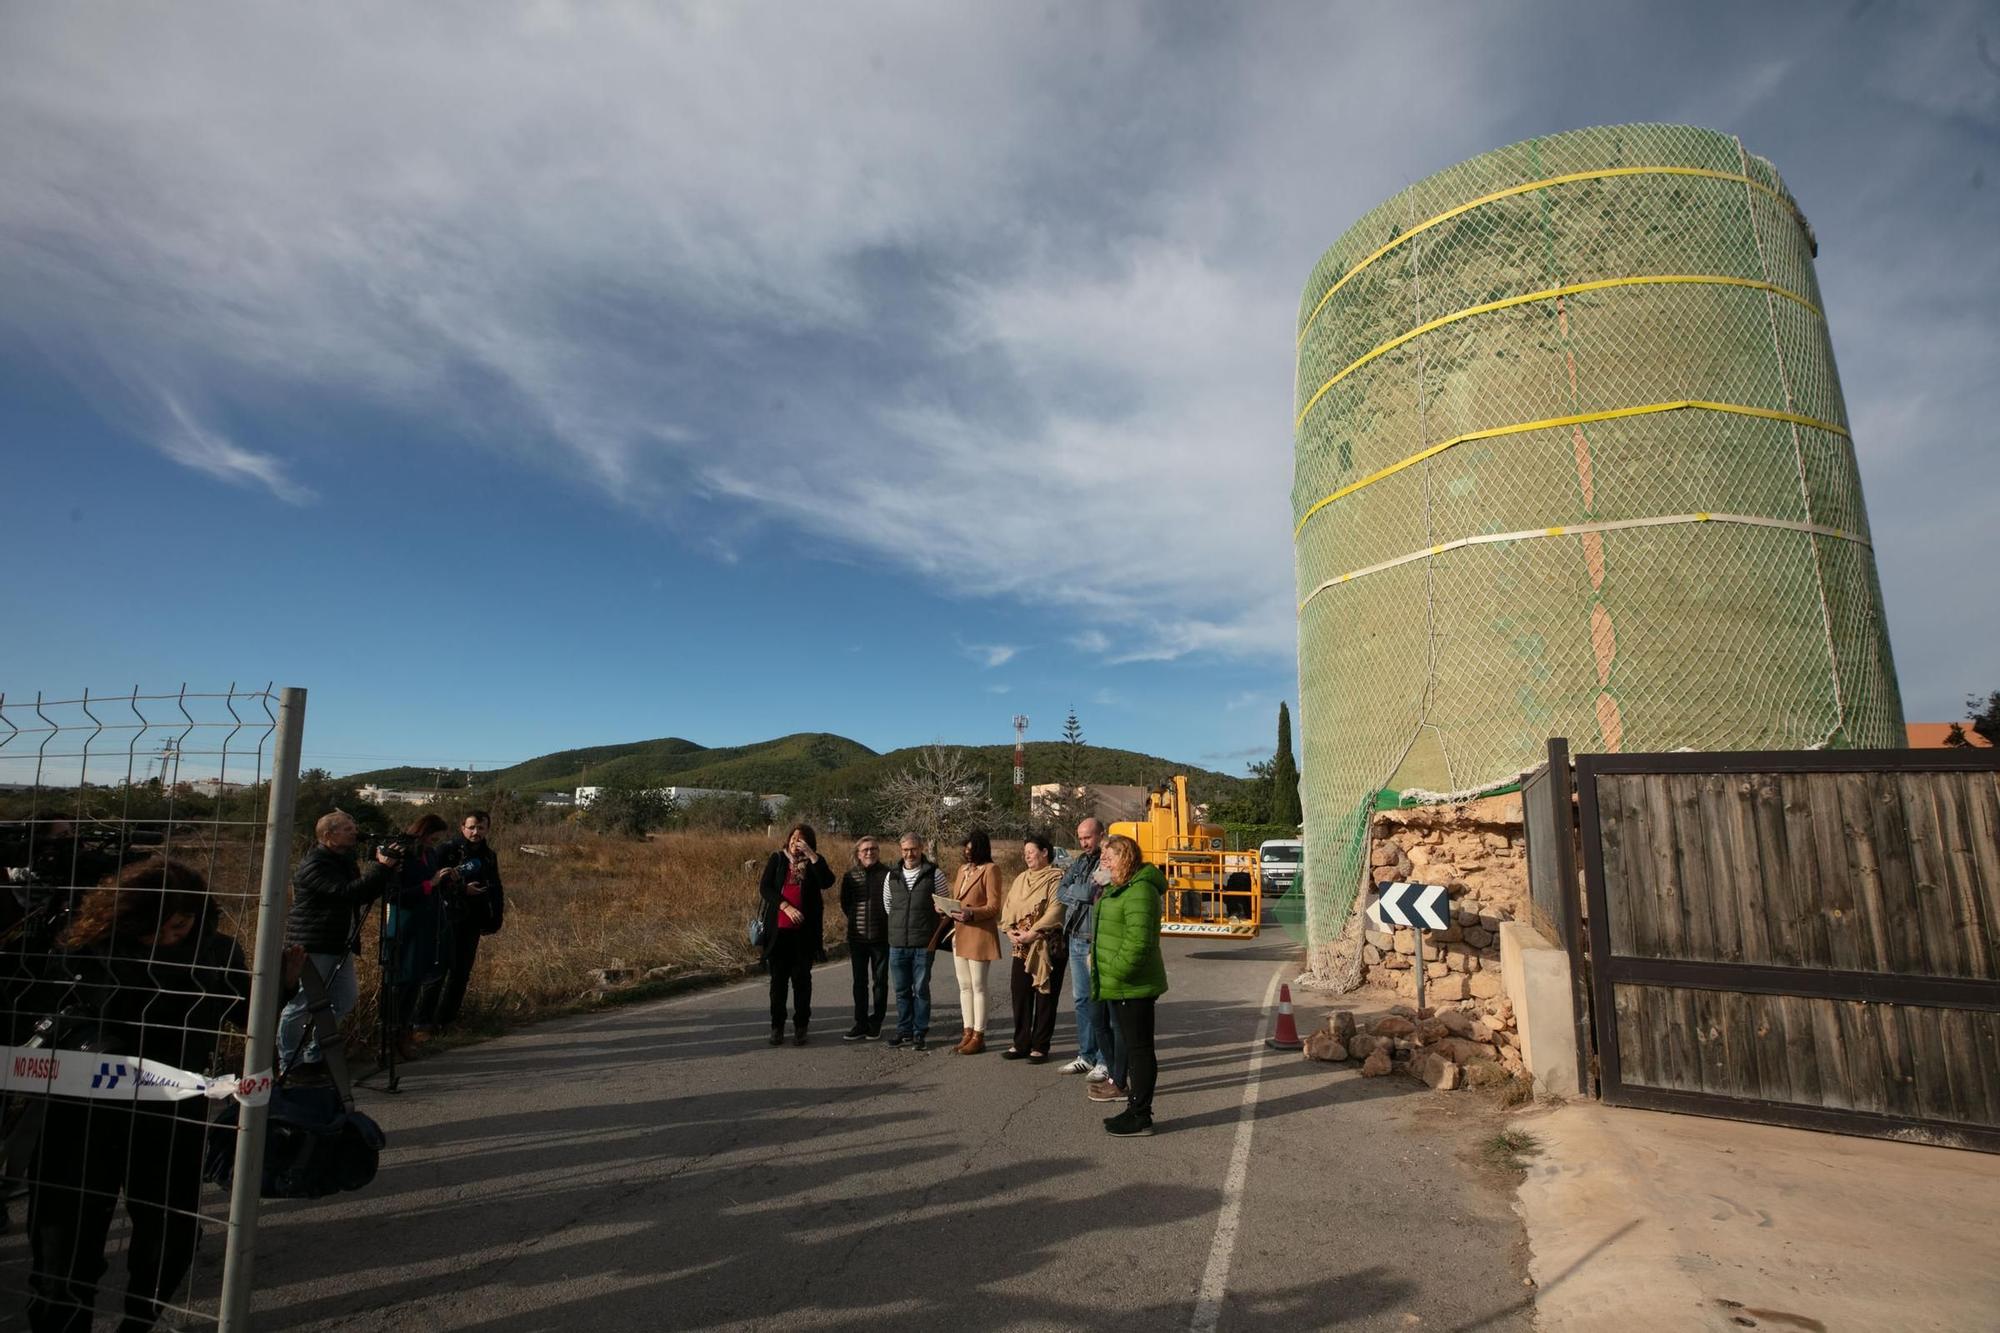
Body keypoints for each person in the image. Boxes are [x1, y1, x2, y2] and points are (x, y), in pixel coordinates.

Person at [23, 855, 303, 1332]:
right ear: (129, 916)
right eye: (163, 925)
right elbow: (41, 1013)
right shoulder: (83, 945)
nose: (174, 935)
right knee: (64, 1245)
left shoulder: (213, 951)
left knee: (171, 1235)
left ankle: (139, 1320)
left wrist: (281, 983)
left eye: (183, 925)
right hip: (80, 1111)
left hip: (170, 1111)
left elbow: (246, 1016)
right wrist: (99, 1045)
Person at [278, 810, 396, 1072]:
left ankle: (316, 1054)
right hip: (313, 943)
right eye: (347, 828)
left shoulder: (343, 860)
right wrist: (381, 868)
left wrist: (386, 872)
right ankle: (290, 1063)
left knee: (345, 998)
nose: (354, 831)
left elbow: (362, 894)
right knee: (302, 1005)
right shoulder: (315, 864)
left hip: (338, 942)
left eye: (353, 827)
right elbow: (345, 893)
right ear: (328, 835)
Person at [1092, 833, 1168, 1136]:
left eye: (1108, 858)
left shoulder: (1139, 891)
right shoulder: (1119, 888)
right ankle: (1135, 1109)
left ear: (1123, 858)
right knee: (1136, 1050)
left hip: (1131, 984)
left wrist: (1114, 970)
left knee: (1139, 1050)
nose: (1103, 863)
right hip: (1121, 983)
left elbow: (1138, 943)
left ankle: (1140, 1115)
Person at [413, 810, 506, 1033]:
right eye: (471, 827)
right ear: (462, 827)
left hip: (472, 919)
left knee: (461, 972)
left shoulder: (488, 855)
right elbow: (432, 881)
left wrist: (496, 917)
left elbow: (495, 886)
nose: (475, 832)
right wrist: (462, 889)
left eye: (480, 828)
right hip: (445, 918)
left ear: (487, 829)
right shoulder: (446, 850)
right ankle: (422, 1023)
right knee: (438, 971)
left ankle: (447, 1021)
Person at [385, 812, 456, 1059]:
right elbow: (395, 894)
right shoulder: (404, 854)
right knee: (400, 982)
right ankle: (391, 1036)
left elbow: (433, 881)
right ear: (423, 833)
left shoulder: (431, 854)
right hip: (405, 925)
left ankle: (405, 1033)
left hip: (428, 925)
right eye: (433, 838)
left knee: (415, 980)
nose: (435, 843)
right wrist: (431, 884)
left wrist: (446, 880)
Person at [757, 823, 832, 1045]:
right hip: (778, 932)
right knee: (777, 983)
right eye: (793, 838)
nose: (795, 842)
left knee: (802, 982)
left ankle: (801, 1026)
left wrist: (811, 855)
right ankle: (777, 1026)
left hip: (804, 935)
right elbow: (765, 888)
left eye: (801, 839)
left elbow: (827, 882)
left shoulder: (815, 863)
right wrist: (785, 907)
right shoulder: (778, 859)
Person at [1055, 817, 1115, 1080]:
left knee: (1101, 1001)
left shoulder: (1110, 859)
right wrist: (1086, 891)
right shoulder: (1080, 861)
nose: (1083, 842)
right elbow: (1061, 890)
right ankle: (1086, 1055)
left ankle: (1105, 1060)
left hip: (1097, 939)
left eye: (1087, 837)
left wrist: (1086, 892)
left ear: (1101, 834)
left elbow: (1100, 892)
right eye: (1080, 838)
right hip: (1076, 937)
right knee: (1081, 999)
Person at [1001, 832, 1067, 1062]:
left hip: (1046, 945)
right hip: (1021, 946)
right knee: (1019, 993)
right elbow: (1008, 906)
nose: (1027, 856)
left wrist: (1033, 933)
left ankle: (1040, 1045)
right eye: (1025, 853)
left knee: (1045, 995)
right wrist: (1010, 930)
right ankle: (1020, 1042)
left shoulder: (1056, 877)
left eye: (1031, 852)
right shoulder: (1021, 879)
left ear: (1044, 852)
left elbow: (1056, 908)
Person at [882, 833, 943, 1050]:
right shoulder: (892, 875)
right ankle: (904, 1030)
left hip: (923, 944)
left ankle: (919, 1031)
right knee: (901, 990)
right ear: (901, 851)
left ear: (921, 848)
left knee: (920, 989)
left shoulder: (934, 874)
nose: (910, 853)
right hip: (898, 943)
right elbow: (888, 905)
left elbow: (943, 907)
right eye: (906, 850)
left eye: (914, 849)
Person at [945, 827, 1002, 1055]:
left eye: (971, 849)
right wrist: (946, 907)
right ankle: (967, 1030)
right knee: (964, 986)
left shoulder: (991, 870)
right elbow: (958, 898)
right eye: (965, 849)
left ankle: (979, 1033)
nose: (967, 853)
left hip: (979, 934)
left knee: (978, 986)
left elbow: (994, 906)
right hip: (959, 932)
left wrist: (972, 913)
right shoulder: (962, 870)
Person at [838, 835, 892, 1040]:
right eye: (865, 850)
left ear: (878, 851)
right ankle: (860, 1023)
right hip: (857, 938)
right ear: (858, 854)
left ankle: (876, 1022)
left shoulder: (889, 874)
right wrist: (856, 920)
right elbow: (846, 904)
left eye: (873, 849)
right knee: (859, 982)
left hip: (882, 937)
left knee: (880, 982)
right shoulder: (850, 876)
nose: (869, 852)